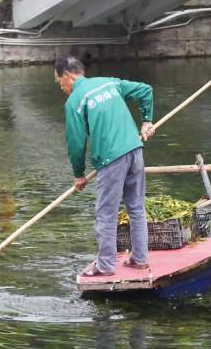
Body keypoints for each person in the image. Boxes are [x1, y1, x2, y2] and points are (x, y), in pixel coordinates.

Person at [54, 56, 155, 276]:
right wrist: (147, 120)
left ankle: (106, 266)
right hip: (135, 151)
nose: (60, 87)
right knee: (136, 207)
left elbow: (76, 143)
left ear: (67, 75)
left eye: (59, 82)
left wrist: (78, 174)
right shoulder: (110, 83)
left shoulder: (75, 101)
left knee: (106, 213)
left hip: (111, 159)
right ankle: (139, 259)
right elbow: (145, 90)